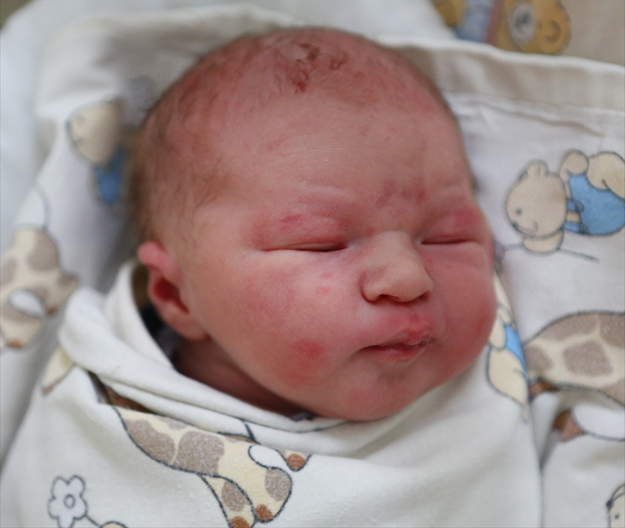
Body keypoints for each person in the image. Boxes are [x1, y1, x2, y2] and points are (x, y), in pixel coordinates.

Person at [130, 26, 497, 421]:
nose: (409, 278)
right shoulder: (104, 409)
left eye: (447, 238)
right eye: (322, 244)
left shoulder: (501, 385)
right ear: (176, 294)